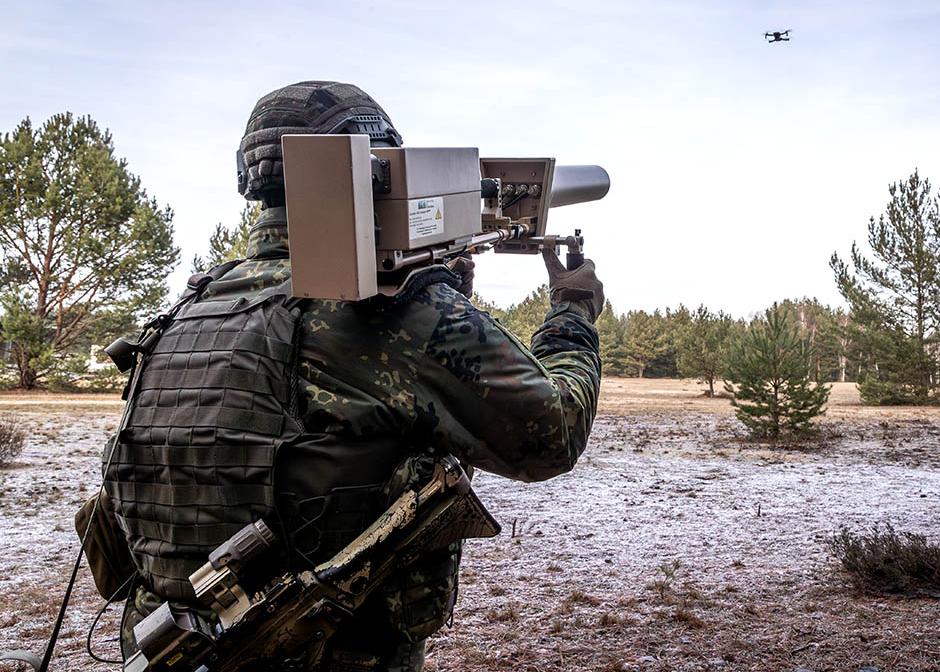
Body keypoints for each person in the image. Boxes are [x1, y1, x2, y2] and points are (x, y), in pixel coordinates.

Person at [96, 81, 604, 672]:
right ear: (374, 169)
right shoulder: (391, 309)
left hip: (167, 649)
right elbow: (552, 433)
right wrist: (572, 314)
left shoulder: (194, 305)